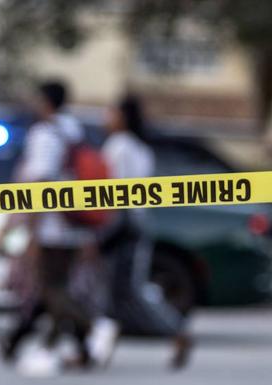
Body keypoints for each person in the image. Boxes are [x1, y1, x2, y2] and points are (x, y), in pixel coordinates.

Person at [0, 81, 118, 371]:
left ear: (44, 101)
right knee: (57, 287)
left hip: (53, 225)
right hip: (76, 219)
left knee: (51, 287)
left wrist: (33, 233)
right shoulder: (72, 129)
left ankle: (95, 327)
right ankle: (62, 348)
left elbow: (40, 184)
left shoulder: (44, 134)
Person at [100, 94, 193, 369]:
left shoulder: (119, 146)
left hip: (123, 224)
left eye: (111, 112)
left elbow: (112, 190)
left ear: (123, 117)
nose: (106, 118)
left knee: (128, 290)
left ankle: (176, 332)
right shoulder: (141, 148)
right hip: (136, 222)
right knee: (113, 292)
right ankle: (96, 350)